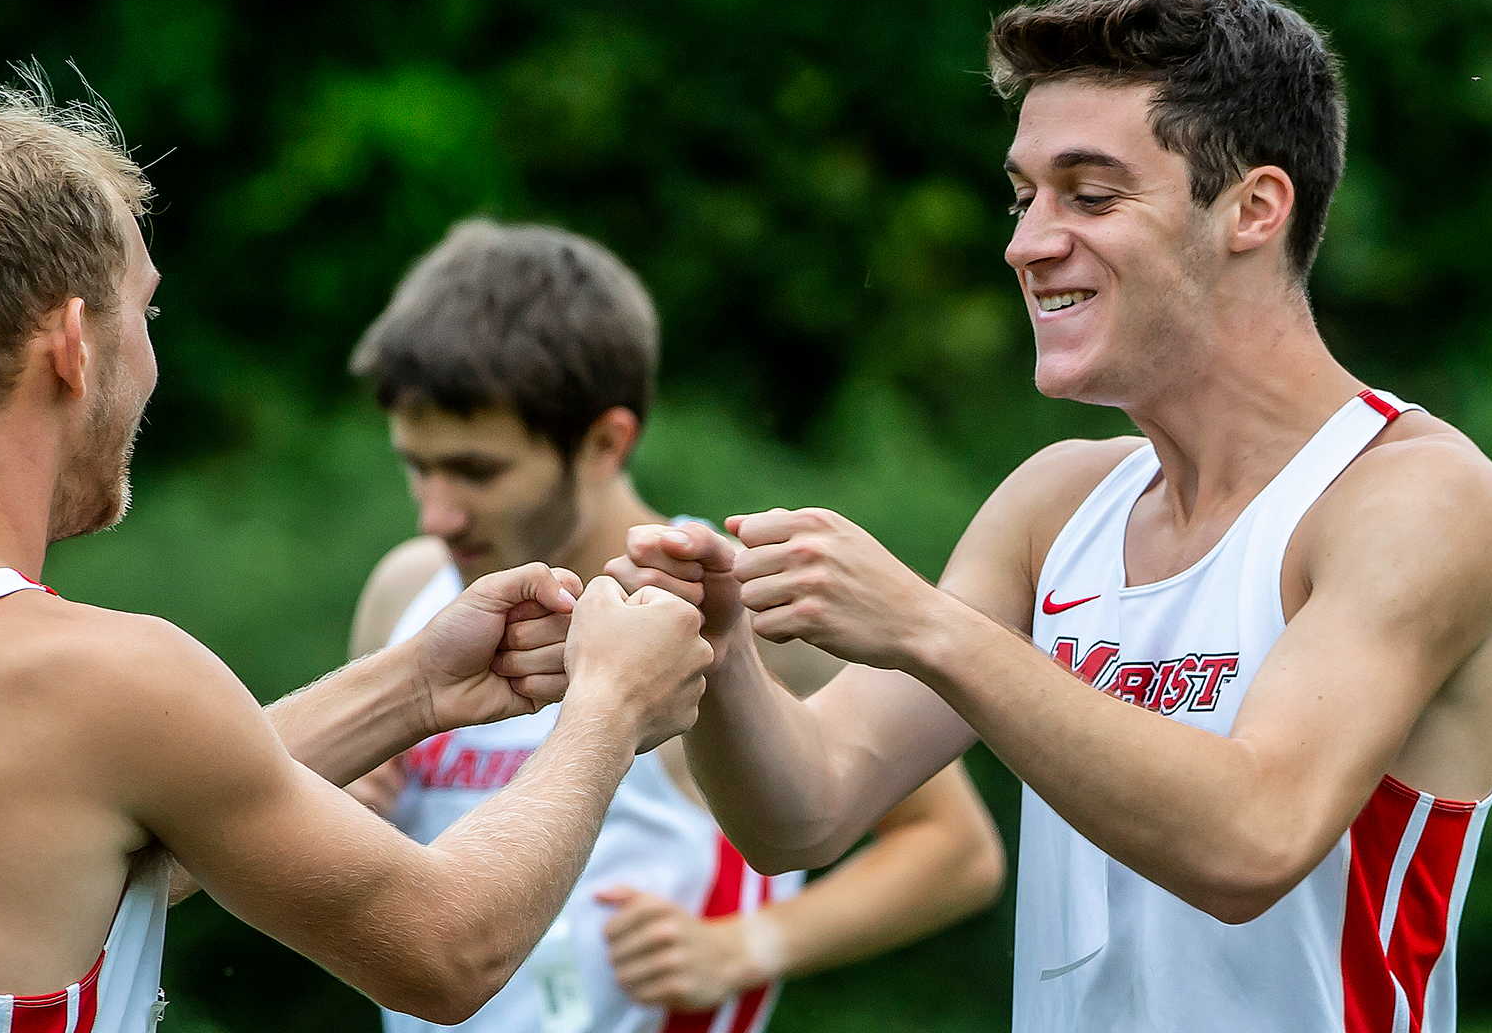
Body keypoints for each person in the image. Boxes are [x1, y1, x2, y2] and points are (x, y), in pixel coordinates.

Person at [0, 79, 719, 1033]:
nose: (151, 357)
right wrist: (609, 704)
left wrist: (415, 689)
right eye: (144, 312)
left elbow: (89, 835)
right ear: (72, 344)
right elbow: (451, 952)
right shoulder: (103, 682)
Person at [610, 0, 1492, 1033]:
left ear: (1254, 210)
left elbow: (1255, 840)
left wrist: (926, 627)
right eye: (1024, 197)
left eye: (1089, 196)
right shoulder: (1057, 500)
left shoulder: (1416, 494)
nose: (1027, 242)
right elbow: (802, 813)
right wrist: (721, 648)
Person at [345, 219, 1005, 1033]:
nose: (436, 515)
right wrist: (348, 813)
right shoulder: (406, 592)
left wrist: (747, 946)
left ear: (605, 442)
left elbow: (956, 850)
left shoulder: (734, 607)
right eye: (417, 466)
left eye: (476, 471)